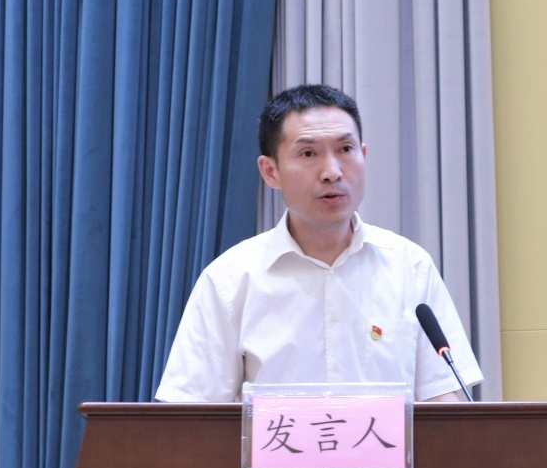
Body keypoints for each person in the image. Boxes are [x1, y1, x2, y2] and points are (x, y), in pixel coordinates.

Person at [155, 84, 482, 402]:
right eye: (308, 153)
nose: (332, 172)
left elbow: (442, 398)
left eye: (345, 149)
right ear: (271, 171)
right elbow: (193, 411)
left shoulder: (410, 266)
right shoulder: (230, 279)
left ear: (363, 155)